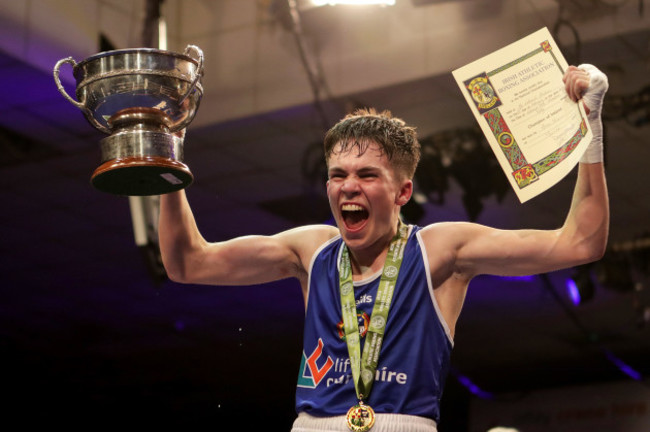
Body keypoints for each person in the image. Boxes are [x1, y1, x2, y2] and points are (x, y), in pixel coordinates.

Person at [158, 64, 609, 432]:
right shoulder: (311, 249)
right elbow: (187, 262)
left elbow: (580, 241)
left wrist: (592, 126)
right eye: (338, 175)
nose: (348, 187)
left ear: (403, 191)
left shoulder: (441, 250)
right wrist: (167, 151)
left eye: (367, 175)